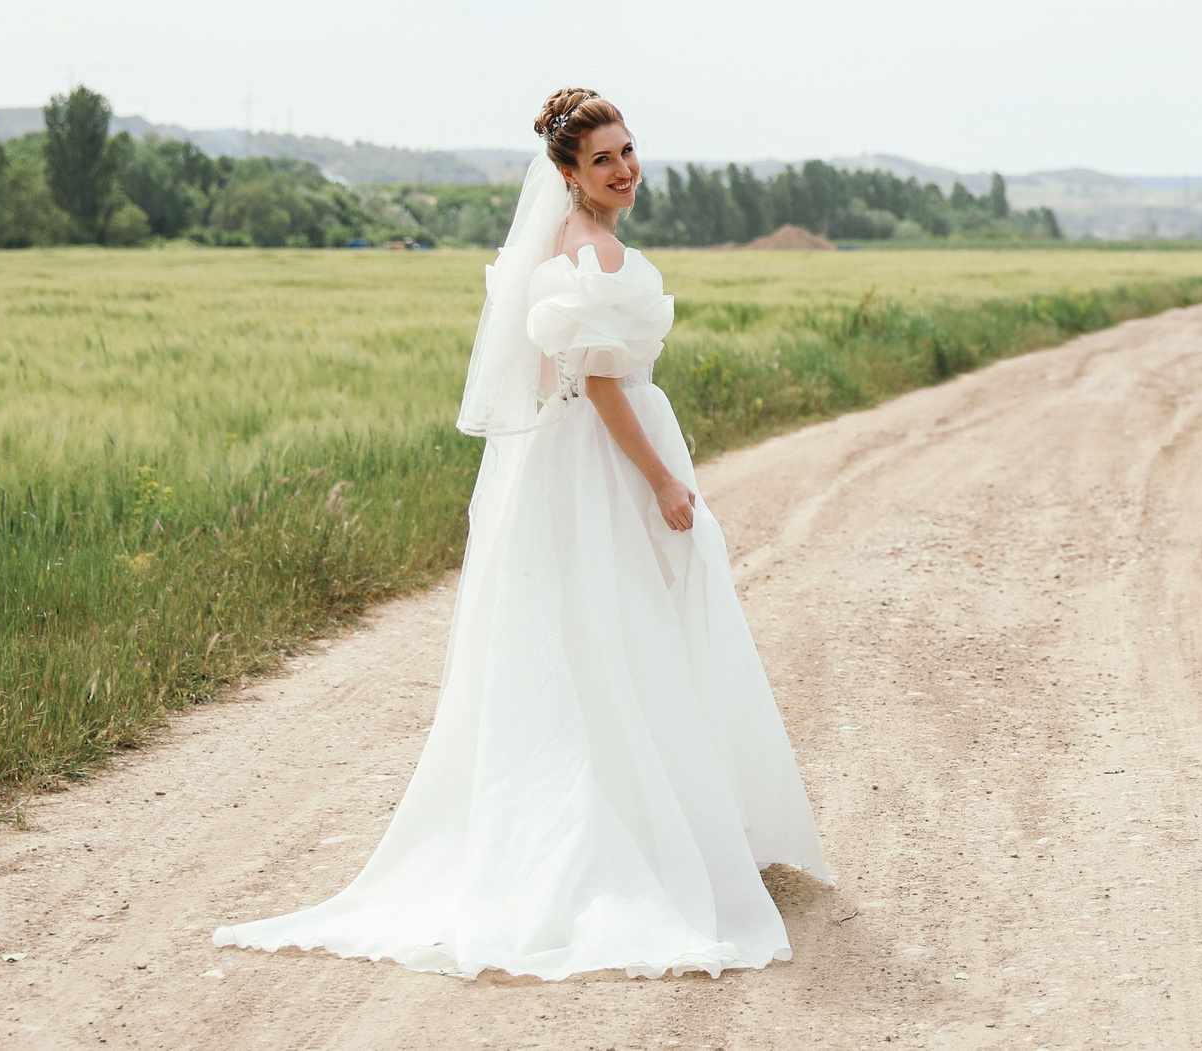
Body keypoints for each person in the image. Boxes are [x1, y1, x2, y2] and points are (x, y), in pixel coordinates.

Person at [215, 88, 830, 979]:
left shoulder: (550, 249)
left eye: (628, 150)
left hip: (560, 461)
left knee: (582, 640)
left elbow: (556, 375)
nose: (625, 168)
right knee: (635, 632)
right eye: (604, 159)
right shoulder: (597, 253)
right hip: (610, 459)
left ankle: (607, 823)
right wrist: (660, 478)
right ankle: (638, 840)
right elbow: (604, 384)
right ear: (570, 175)